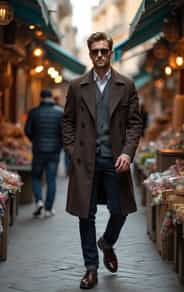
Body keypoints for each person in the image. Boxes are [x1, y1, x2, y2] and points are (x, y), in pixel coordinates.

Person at [63, 32, 143, 289]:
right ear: (90, 54)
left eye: (104, 51)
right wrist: (73, 149)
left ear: (111, 53)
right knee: (85, 215)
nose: (99, 55)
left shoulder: (126, 85)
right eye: (95, 51)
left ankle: (107, 242)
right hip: (85, 162)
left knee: (120, 211)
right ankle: (91, 268)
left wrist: (127, 153)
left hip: (114, 160)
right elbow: (67, 122)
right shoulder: (76, 86)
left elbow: (134, 124)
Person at [25, 89, 64, 218]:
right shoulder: (60, 113)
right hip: (54, 152)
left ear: (40, 98)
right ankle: (48, 209)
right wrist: (60, 145)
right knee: (51, 179)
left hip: (38, 151)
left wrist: (35, 140)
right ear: (51, 98)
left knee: (36, 177)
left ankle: (39, 201)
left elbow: (27, 131)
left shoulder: (33, 112)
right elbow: (64, 133)